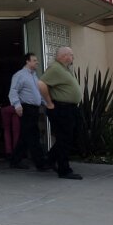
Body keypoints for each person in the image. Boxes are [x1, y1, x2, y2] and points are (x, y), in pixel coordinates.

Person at [38, 47, 83, 180]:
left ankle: (49, 161)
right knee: (64, 139)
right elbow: (41, 84)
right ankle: (64, 170)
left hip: (70, 108)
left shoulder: (63, 69)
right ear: (64, 56)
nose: (73, 57)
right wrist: (49, 103)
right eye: (71, 55)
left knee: (70, 137)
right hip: (62, 108)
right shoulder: (55, 68)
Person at [8, 53, 47, 170]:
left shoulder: (34, 76)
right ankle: (40, 163)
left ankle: (15, 160)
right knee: (33, 135)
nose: (37, 62)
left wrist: (47, 104)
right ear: (27, 61)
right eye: (34, 60)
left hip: (34, 109)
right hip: (27, 109)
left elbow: (38, 94)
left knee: (25, 136)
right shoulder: (19, 75)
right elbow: (13, 91)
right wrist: (17, 105)